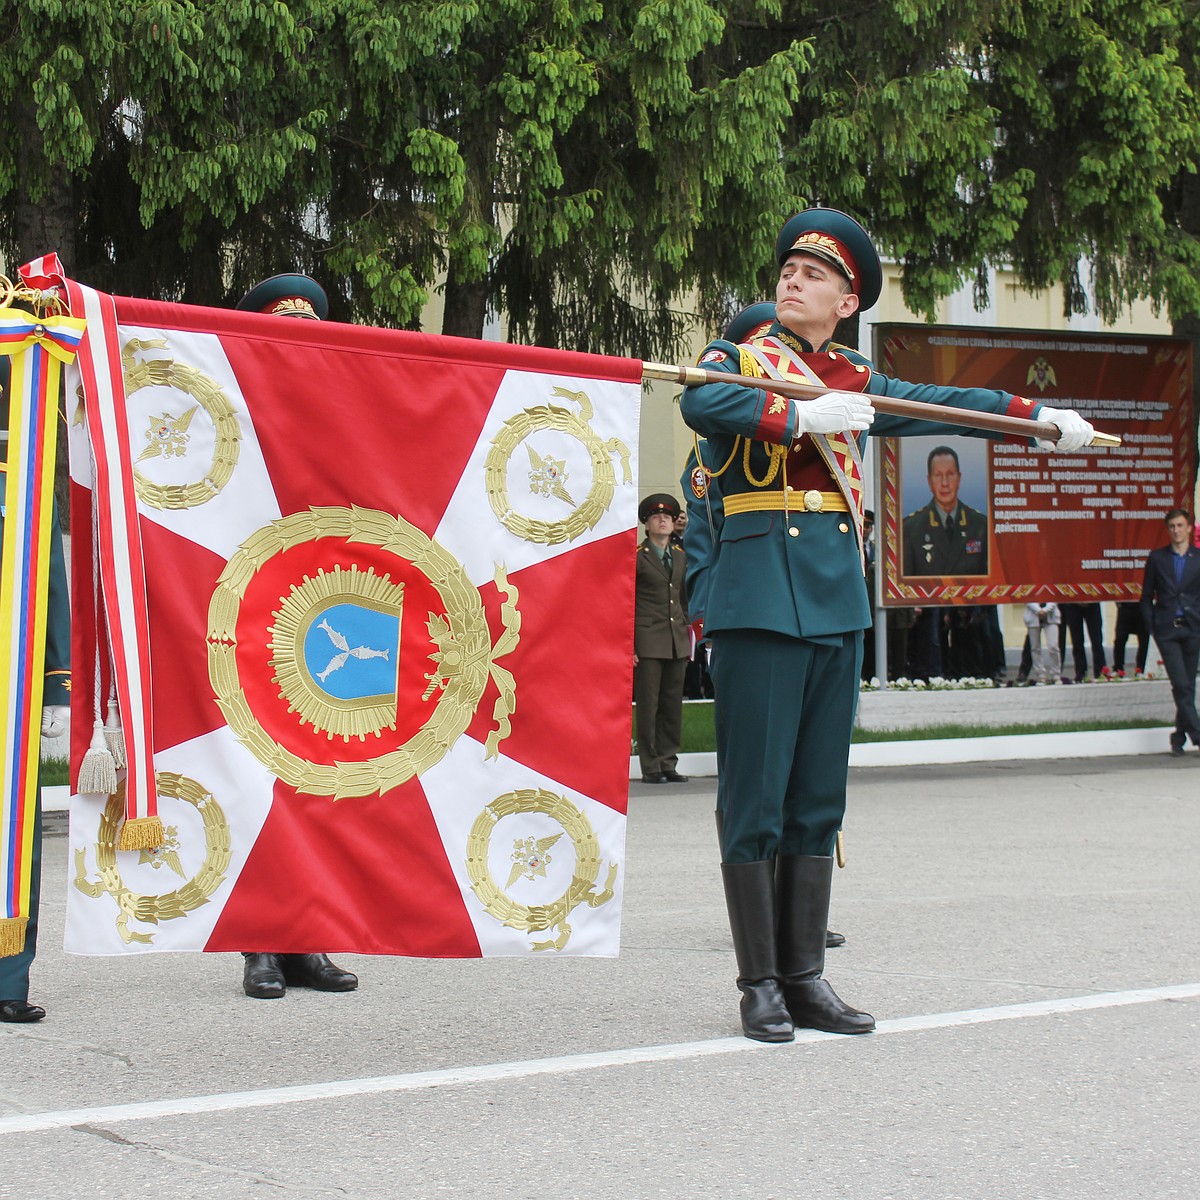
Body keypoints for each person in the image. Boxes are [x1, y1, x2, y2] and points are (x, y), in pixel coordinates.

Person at [680, 207, 1094, 1042]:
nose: (791, 279)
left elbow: (940, 400)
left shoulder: (854, 377)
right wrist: (798, 417)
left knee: (817, 801)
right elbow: (705, 404)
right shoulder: (739, 357)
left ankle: (806, 978)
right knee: (754, 799)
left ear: (845, 301)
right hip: (760, 599)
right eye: (788, 270)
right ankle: (758, 983)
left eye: (812, 275)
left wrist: (1035, 416)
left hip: (833, 605)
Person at [684, 302, 846, 950]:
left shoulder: (821, 434)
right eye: (764, 351)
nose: (777, 362)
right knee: (758, 784)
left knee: (810, 788)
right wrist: (709, 615)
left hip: (816, 607)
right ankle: (763, 965)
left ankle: (798, 934)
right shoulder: (721, 441)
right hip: (750, 608)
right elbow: (705, 540)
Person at [233, 273, 360, 999]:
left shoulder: (334, 417)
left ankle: (309, 934)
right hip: (252, 613)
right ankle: (258, 942)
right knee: (257, 773)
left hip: (327, 612)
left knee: (320, 773)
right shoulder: (237, 420)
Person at [0, 359, 70, 1023]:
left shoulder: (20, 481)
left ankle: (7, 979)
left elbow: (48, 573)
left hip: (8, 677)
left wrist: (56, 680)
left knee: (13, 832)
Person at [633, 493, 690, 783]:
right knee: (648, 705)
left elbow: (682, 601)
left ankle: (669, 761)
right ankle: (650, 765)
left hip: (675, 640)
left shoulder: (679, 557)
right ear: (646, 523)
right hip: (647, 641)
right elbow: (626, 603)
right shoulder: (637, 559)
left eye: (667, 517)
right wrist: (629, 645)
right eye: (657, 517)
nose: (663, 520)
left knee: (672, 706)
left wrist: (687, 635)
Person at [1139, 509, 1200, 756]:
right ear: (1168, 529)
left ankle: (1177, 738)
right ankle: (1197, 734)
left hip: (1193, 628)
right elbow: (1145, 597)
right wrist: (1152, 626)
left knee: (1188, 686)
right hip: (1167, 629)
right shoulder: (1157, 558)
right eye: (1172, 526)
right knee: (1181, 683)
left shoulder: (1198, 558)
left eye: (1180, 525)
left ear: (1189, 528)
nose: (1176, 530)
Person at [902, 446, 989, 576]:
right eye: (938, 475)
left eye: (950, 474)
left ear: (959, 478)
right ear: (930, 481)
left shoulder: (981, 525)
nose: (944, 483)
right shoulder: (910, 528)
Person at [1023, 601, 1061, 684]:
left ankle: (1056, 674)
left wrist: (1045, 610)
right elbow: (1027, 597)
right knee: (1035, 647)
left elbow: (1055, 596)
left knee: (1053, 646)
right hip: (1032, 615)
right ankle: (1040, 675)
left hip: (1051, 615)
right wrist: (1038, 610)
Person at [1112, 600, 1149, 675]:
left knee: (1144, 640)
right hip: (1125, 606)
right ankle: (1118, 669)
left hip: (1142, 607)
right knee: (1119, 639)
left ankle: (1140, 669)